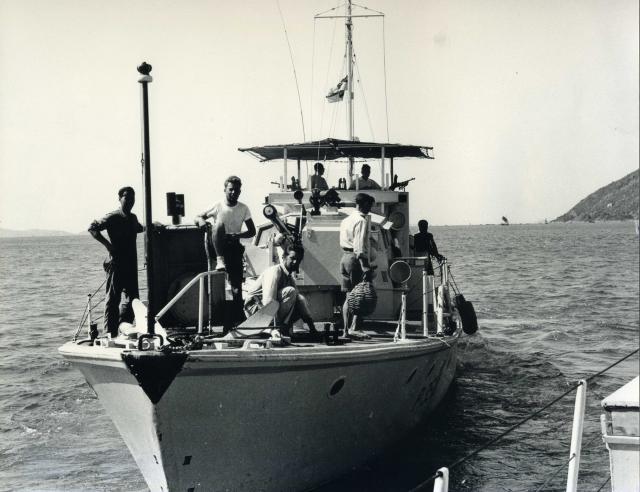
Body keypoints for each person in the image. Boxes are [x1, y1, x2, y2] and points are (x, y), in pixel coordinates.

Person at [195, 176, 256, 328]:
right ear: (225, 190)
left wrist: (238, 235)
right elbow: (197, 216)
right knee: (219, 224)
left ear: (240, 191)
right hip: (217, 244)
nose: (234, 192)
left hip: (233, 246)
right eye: (231, 189)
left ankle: (237, 318)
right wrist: (203, 222)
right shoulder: (218, 205)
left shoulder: (244, 208)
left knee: (236, 287)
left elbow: (252, 231)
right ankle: (220, 259)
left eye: (237, 190)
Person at [89, 186, 144, 337]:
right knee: (113, 300)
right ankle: (110, 332)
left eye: (133, 198)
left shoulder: (133, 218)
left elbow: (139, 228)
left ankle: (123, 326)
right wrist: (108, 246)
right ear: (120, 198)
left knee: (133, 300)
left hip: (131, 265)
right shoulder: (112, 217)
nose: (130, 201)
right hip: (116, 263)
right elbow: (92, 228)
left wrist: (153, 226)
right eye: (127, 197)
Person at [244, 245, 317, 336]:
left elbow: (300, 301)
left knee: (300, 298)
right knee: (290, 291)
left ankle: (283, 328)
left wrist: (312, 328)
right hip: (255, 311)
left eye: (298, 260)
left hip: (268, 310)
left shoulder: (288, 276)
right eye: (292, 258)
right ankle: (275, 328)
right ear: (284, 257)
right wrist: (272, 329)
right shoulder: (274, 272)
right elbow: (268, 302)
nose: (295, 262)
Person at [339, 192, 375, 337]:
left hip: (345, 258)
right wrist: (365, 265)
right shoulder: (361, 220)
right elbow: (359, 247)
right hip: (355, 260)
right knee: (360, 295)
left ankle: (346, 330)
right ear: (363, 204)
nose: (370, 208)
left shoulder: (346, 220)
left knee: (349, 296)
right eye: (369, 205)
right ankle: (354, 328)